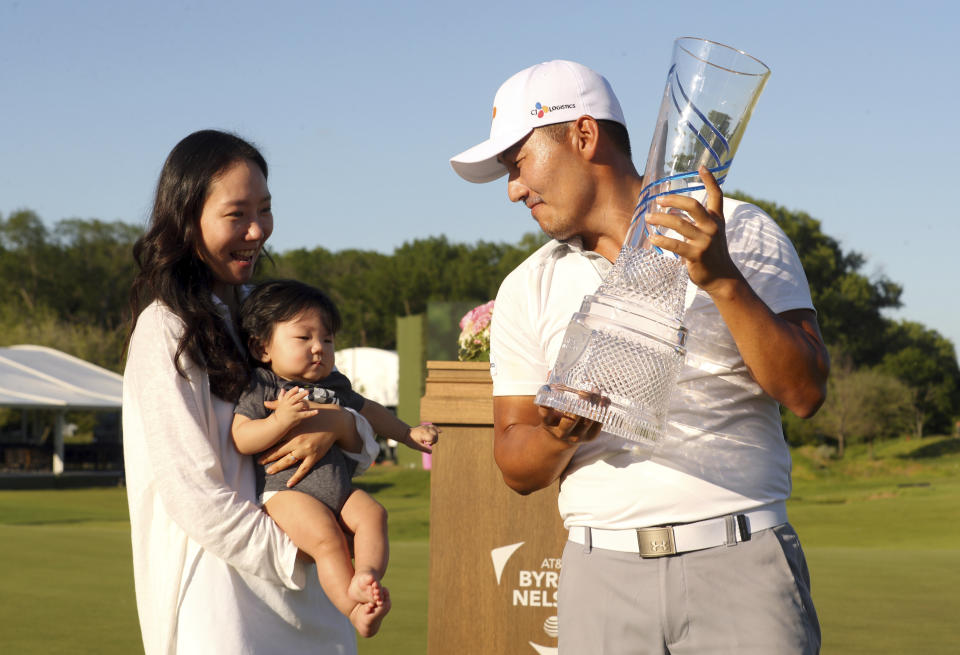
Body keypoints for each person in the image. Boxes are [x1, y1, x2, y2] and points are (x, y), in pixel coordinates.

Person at [450, 60, 829, 654]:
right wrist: (561, 435)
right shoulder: (527, 286)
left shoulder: (739, 231)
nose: (513, 189)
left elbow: (805, 392)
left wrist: (724, 280)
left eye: (518, 162)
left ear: (583, 134)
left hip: (741, 559)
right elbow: (515, 464)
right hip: (601, 576)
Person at [123, 129, 379, 655]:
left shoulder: (270, 315)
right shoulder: (165, 329)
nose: (257, 230)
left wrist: (339, 426)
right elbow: (193, 491)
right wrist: (298, 552)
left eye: (264, 209)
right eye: (236, 214)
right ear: (186, 218)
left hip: (311, 597)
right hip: (222, 598)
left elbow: (359, 439)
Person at [232, 279, 439, 637]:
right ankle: (354, 611)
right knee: (328, 540)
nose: (319, 348)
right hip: (287, 493)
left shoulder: (335, 384)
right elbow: (241, 437)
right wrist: (280, 419)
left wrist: (407, 433)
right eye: (304, 338)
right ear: (262, 347)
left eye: (327, 340)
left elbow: (369, 411)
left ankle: (366, 576)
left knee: (374, 514)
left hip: (338, 489)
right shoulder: (262, 385)